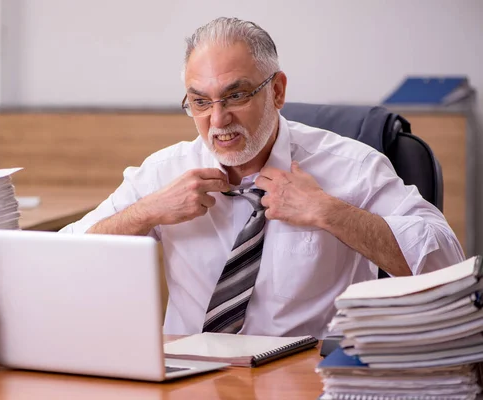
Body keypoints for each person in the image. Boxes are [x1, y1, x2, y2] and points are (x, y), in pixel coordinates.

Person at [61, 17, 464, 338]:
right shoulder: (165, 171)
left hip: (309, 379)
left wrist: (329, 212)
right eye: (200, 102)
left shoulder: (351, 165)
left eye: (236, 96)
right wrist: (144, 213)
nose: (218, 120)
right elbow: (64, 260)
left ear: (277, 91)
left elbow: (447, 263)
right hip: (190, 380)